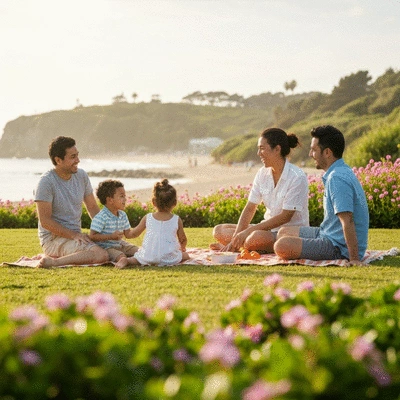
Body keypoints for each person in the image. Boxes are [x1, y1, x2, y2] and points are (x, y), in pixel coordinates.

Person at [274, 125, 369, 265]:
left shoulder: (337, 178)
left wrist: (354, 258)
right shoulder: (338, 171)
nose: (310, 154)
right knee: (283, 231)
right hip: (326, 233)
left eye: (314, 150)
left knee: (281, 246)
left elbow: (347, 219)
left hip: (338, 246)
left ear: (327, 152)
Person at [211, 127, 309, 253]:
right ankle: (237, 245)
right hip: (265, 230)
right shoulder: (262, 173)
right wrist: (236, 236)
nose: (258, 153)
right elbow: (250, 207)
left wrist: (248, 232)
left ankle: (243, 246)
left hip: (288, 233)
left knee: (254, 238)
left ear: (277, 149)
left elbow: (285, 217)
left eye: (262, 148)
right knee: (219, 230)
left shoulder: (297, 176)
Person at [34, 136, 109, 267]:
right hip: (53, 240)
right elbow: (45, 221)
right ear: (58, 160)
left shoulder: (81, 176)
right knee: (101, 255)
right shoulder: (46, 182)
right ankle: (53, 261)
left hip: (76, 237)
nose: (78, 160)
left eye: (77, 155)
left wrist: (106, 230)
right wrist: (74, 235)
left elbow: (92, 207)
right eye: (73, 157)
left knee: (118, 250)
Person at [115, 179, 190, 268]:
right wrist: (182, 248)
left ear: (153, 202)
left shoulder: (148, 217)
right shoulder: (176, 220)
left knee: (136, 259)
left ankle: (126, 260)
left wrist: (125, 231)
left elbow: (133, 234)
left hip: (148, 256)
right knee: (186, 255)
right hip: (169, 258)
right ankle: (178, 254)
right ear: (175, 203)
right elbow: (183, 239)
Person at [89, 180, 139, 268]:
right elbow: (92, 236)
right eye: (122, 196)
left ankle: (130, 259)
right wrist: (111, 236)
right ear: (110, 200)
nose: (125, 199)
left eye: (125, 196)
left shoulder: (122, 215)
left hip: (121, 245)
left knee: (140, 251)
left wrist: (142, 227)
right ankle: (124, 260)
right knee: (121, 256)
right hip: (107, 247)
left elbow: (128, 234)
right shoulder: (101, 217)